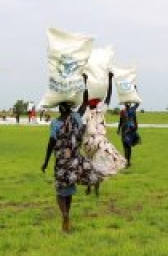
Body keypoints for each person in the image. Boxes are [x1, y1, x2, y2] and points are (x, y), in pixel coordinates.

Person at [41, 74, 102, 233]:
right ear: (69, 107)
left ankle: (65, 214)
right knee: (69, 191)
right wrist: (84, 82)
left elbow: (51, 144)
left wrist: (46, 162)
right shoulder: (75, 118)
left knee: (60, 192)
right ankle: (67, 216)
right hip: (74, 162)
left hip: (61, 163)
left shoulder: (55, 123)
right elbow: (84, 103)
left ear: (59, 108)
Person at [82, 71, 127, 196]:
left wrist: (109, 79)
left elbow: (107, 97)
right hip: (93, 144)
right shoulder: (92, 111)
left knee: (96, 166)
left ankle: (93, 188)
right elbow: (106, 97)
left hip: (95, 143)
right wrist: (109, 79)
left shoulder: (94, 111)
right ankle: (92, 187)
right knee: (95, 166)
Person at [117, 101, 141, 168]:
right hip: (124, 131)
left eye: (128, 103)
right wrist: (118, 129)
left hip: (130, 130)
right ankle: (126, 161)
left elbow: (137, 103)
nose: (127, 104)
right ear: (124, 104)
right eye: (126, 103)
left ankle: (128, 161)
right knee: (125, 146)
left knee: (128, 146)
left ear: (130, 104)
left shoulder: (132, 109)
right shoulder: (122, 112)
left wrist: (135, 92)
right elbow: (121, 121)